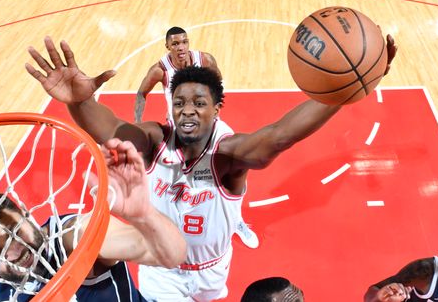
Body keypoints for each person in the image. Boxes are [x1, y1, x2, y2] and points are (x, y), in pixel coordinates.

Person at [26, 34, 397, 301]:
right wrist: (81, 102)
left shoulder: (228, 154)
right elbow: (111, 129)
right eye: (180, 102)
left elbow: (281, 135)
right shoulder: (156, 139)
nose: (187, 109)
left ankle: (236, 223)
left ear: (217, 108)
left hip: (211, 269)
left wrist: (344, 89)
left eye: (199, 102)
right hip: (161, 271)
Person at [0, 139, 187, 301]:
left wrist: (143, 215)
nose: (13, 253)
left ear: (25, 213)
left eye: (14, 232)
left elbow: (170, 255)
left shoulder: (73, 238)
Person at [134, 26, 259, 250]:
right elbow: (141, 92)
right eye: (175, 44)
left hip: (208, 127)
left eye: (184, 42)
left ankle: (236, 221)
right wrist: (137, 120)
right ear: (168, 47)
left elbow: (218, 82)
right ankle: (173, 224)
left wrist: (214, 105)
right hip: (178, 131)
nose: (181, 48)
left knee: (234, 171)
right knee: (178, 182)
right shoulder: (160, 70)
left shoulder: (205, 60)